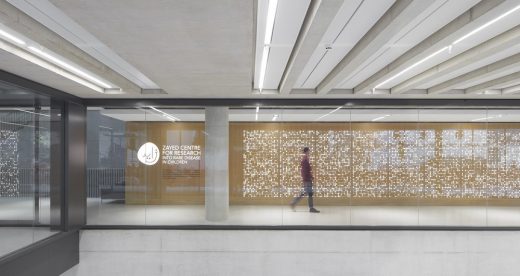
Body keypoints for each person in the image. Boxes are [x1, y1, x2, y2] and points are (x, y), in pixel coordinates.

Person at [290, 147, 320, 213]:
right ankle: (310, 208)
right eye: (309, 151)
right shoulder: (305, 160)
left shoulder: (306, 160)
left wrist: (310, 177)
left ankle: (294, 203)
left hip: (307, 179)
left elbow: (306, 171)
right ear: (306, 152)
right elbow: (304, 171)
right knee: (307, 193)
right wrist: (308, 178)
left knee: (307, 193)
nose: (309, 153)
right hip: (307, 180)